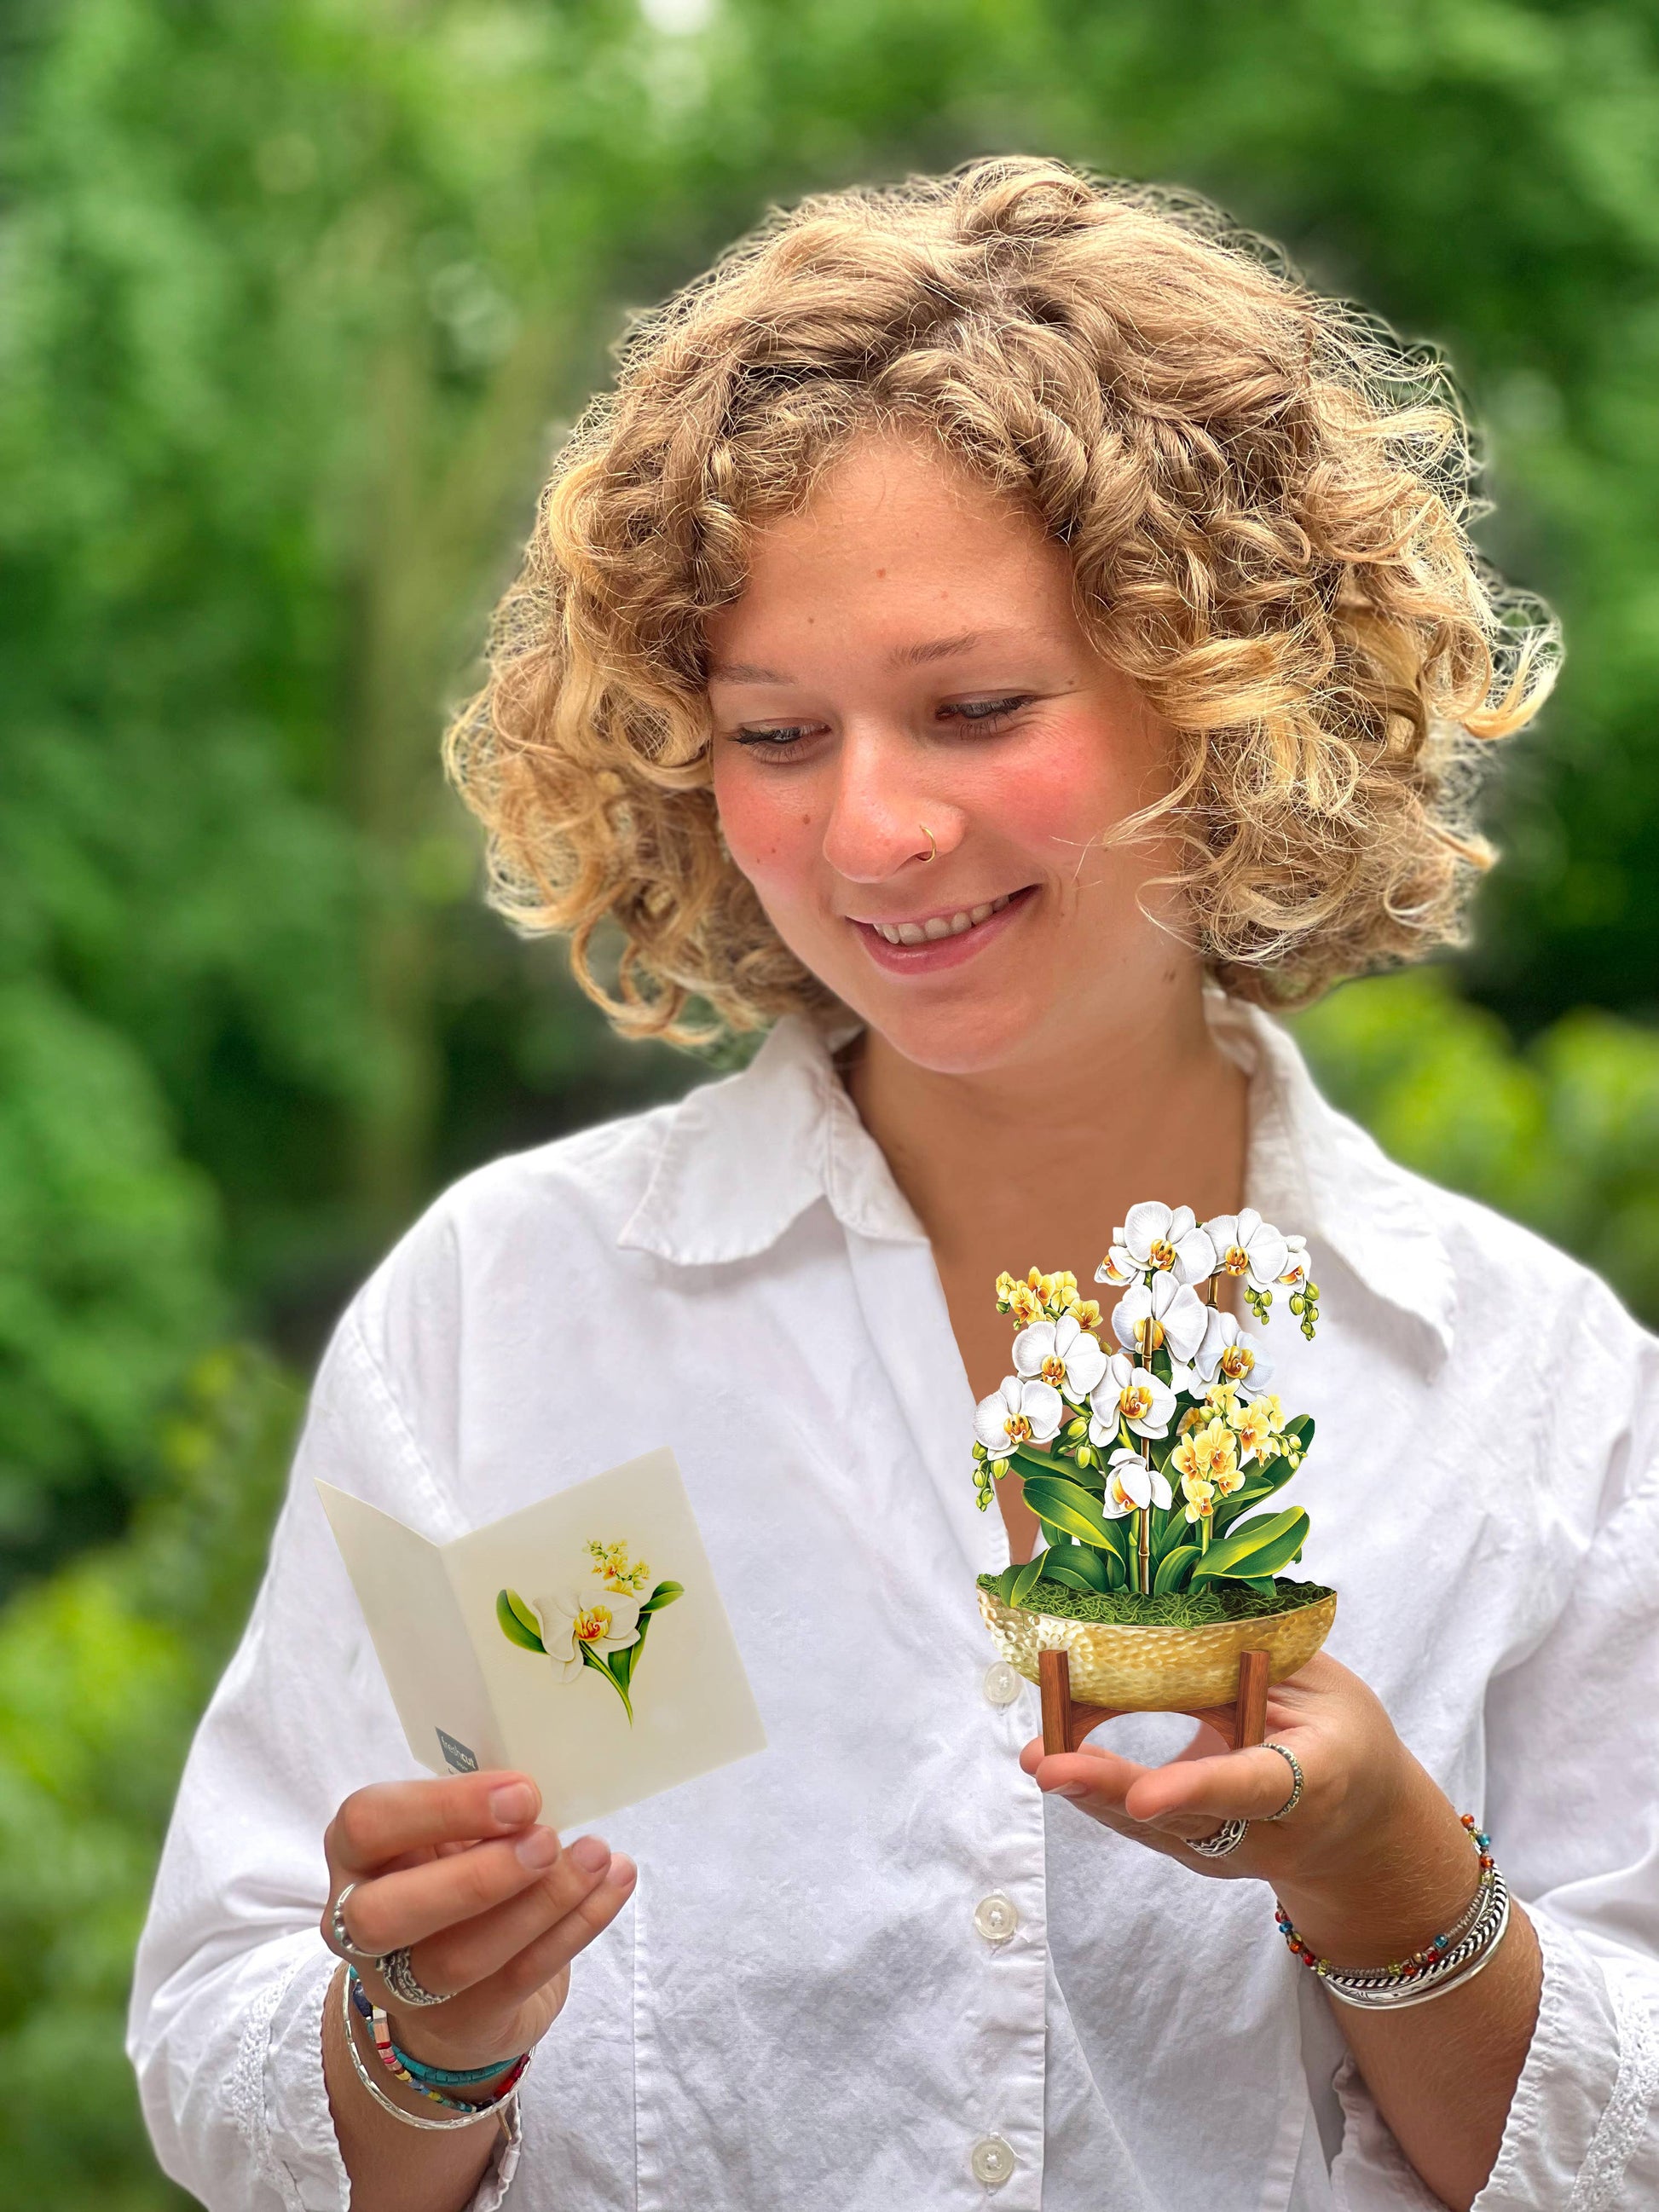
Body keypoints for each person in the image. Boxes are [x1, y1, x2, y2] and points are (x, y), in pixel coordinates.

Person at [130, 158, 1659, 2212]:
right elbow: (223, 2049)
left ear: (1224, 687)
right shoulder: (513, 1313)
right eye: (775, 732)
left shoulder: (1533, 1391)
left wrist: (1398, 1889)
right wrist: (418, 2029)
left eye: (976, 707)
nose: (871, 829)